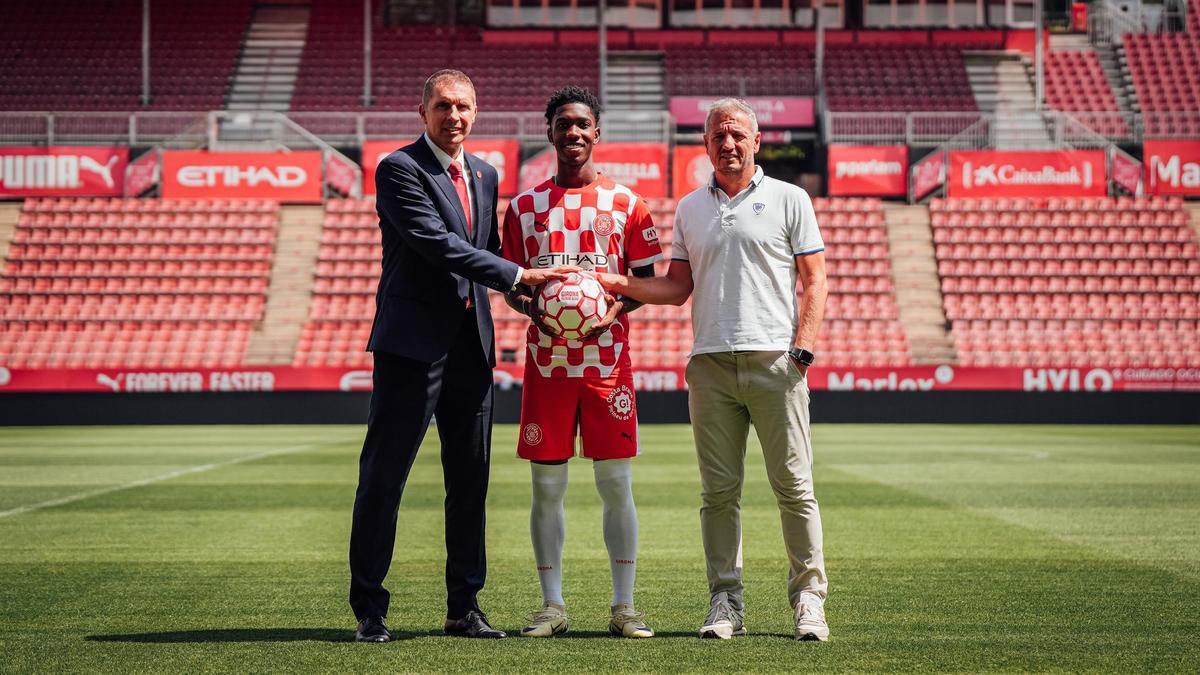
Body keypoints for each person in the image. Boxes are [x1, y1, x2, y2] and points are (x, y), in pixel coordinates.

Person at [595, 98, 831, 641]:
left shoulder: (790, 198)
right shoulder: (689, 208)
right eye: (717, 137)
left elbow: (814, 279)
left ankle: (809, 600)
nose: (727, 144)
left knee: (794, 487)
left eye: (736, 135)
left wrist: (803, 348)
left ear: (756, 140)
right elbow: (677, 288)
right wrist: (622, 284)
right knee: (718, 494)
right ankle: (726, 602)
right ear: (704, 145)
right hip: (708, 365)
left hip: (776, 361)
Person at [348, 69, 571, 643]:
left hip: (471, 347)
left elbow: (483, 249)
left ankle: (464, 607)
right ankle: (371, 610)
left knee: (470, 482)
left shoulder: (485, 173)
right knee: (385, 477)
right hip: (410, 347)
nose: (455, 116)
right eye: (444, 106)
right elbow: (435, 243)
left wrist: (523, 295)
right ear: (422, 112)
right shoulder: (399, 168)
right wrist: (517, 272)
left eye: (464, 107)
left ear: (477, 112)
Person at [500, 86, 661, 639]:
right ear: (549, 133)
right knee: (547, 489)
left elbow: (647, 283)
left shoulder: (628, 205)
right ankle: (552, 606)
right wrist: (534, 310)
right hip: (546, 366)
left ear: (597, 133)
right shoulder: (522, 209)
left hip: (607, 366)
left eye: (582, 124)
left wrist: (613, 306)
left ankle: (624, 607)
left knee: (616, 484)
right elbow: (511, 285)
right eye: (563, 124)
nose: (573, 133)